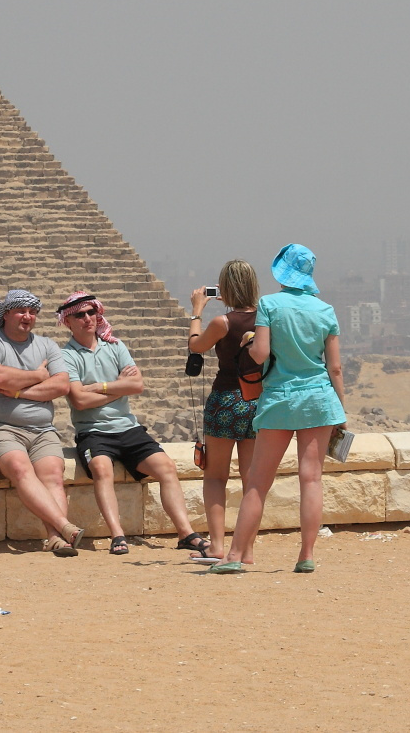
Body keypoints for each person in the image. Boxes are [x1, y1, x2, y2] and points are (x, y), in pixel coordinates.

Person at [212, 244, 345, 574]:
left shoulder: (270, 305)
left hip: (280, 400)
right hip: (319, 400)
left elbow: (260, 354)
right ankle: (307, 555)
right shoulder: (326, 311)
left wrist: (246, 342)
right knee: (311, 479)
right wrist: (340, 412)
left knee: (257, 481)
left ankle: (236, 555)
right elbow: (336, 368)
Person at [56, 292, 209, 557]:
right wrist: (119, 388)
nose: (88, 319)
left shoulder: (115, 346)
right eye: (79, 315)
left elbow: (137, 384)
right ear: (67, 321)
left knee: (166, 468)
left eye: (92, 312)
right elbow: (79, 400)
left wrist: (100, 387)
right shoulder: (65, 356)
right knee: (101, 469)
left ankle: (186, 534)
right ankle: (117, 535)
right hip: (93, 431)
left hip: (128, 428)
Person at [0, 290, 86, 557]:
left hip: (42, 430)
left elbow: (61, 385)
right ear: (6, 314)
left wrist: (19, 391)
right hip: (0, 426)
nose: (28, 316)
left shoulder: (47, 345)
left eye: (32, 312)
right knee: (21, 469)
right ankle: (65, 528)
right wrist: (37, 375)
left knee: (54, 476)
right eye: (21, 311)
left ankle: (56, 538)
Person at [187, 259, 261, 560]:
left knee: (216, 476)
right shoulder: (266, 319)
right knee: (251, 480)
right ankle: (247, 548)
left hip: (225, 401)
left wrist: (196, 311)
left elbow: (196, 346)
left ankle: (217, 545)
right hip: (256, 402)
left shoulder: (222, 323)